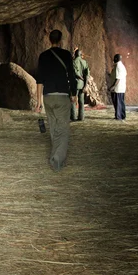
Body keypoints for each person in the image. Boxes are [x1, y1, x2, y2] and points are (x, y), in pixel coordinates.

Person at [35, 30, 77, 171]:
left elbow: (39, 80)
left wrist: (38, 101)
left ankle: (56, 156)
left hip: (48, 97)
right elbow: (71, 76)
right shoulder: (66, 55)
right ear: (61, 40)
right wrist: (74, 93)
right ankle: (57, 160)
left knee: (53, 128)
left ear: (49, 40)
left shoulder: (43, 56)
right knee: (63, 128)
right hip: (62, 95)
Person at [71, 49, 89, 121]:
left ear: (75, 54)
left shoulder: (73, 62)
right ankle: (81, 117)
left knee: (73, 100)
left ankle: (73, 117)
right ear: (81, 55)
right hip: (82, 84)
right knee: (81, 101)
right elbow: (87, 75)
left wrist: (80, 77)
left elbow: (74, 73)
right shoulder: (84, 62)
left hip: (75, 84)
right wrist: (85, 85)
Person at [109, 54, 127, 121]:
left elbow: (118, 78)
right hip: (121, 88)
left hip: (117, 88)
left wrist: (113, 87)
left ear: (116, 58)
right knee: (121, 102)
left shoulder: (118, 66)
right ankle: (122, 116)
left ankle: (118, 117)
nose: (113, 59)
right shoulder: (121, 66)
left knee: (117, 103)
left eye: (114, 58)